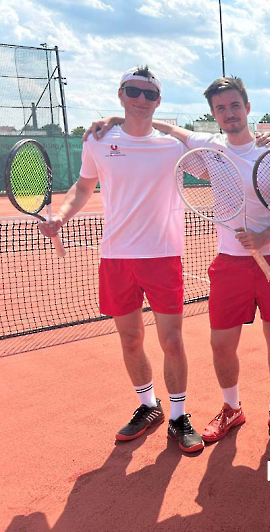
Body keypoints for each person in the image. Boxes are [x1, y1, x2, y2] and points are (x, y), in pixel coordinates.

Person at [84, 77, 270, 445]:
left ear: (247, 107)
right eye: (220, 109)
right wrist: (117, 121)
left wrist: (263, 237)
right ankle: (232, 408)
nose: (229, 113)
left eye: (234, 106)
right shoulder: (210, 146)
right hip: (230, 262)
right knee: (220, 344)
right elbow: (166, 127)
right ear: (214, 115)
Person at [39, 66, 204, 452]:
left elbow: (217, 149)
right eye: (133, 91)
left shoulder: (175, 146)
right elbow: (82, 187)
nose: (141, 99)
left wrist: (137, 121)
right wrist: (61, 217)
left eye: (149, 94)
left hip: (163, 256)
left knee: (172, 341)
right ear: (120, 93)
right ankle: (149, 406)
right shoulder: (98, 142)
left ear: (158, 101)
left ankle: (179, 416)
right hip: (116, 257)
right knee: (130, 339)